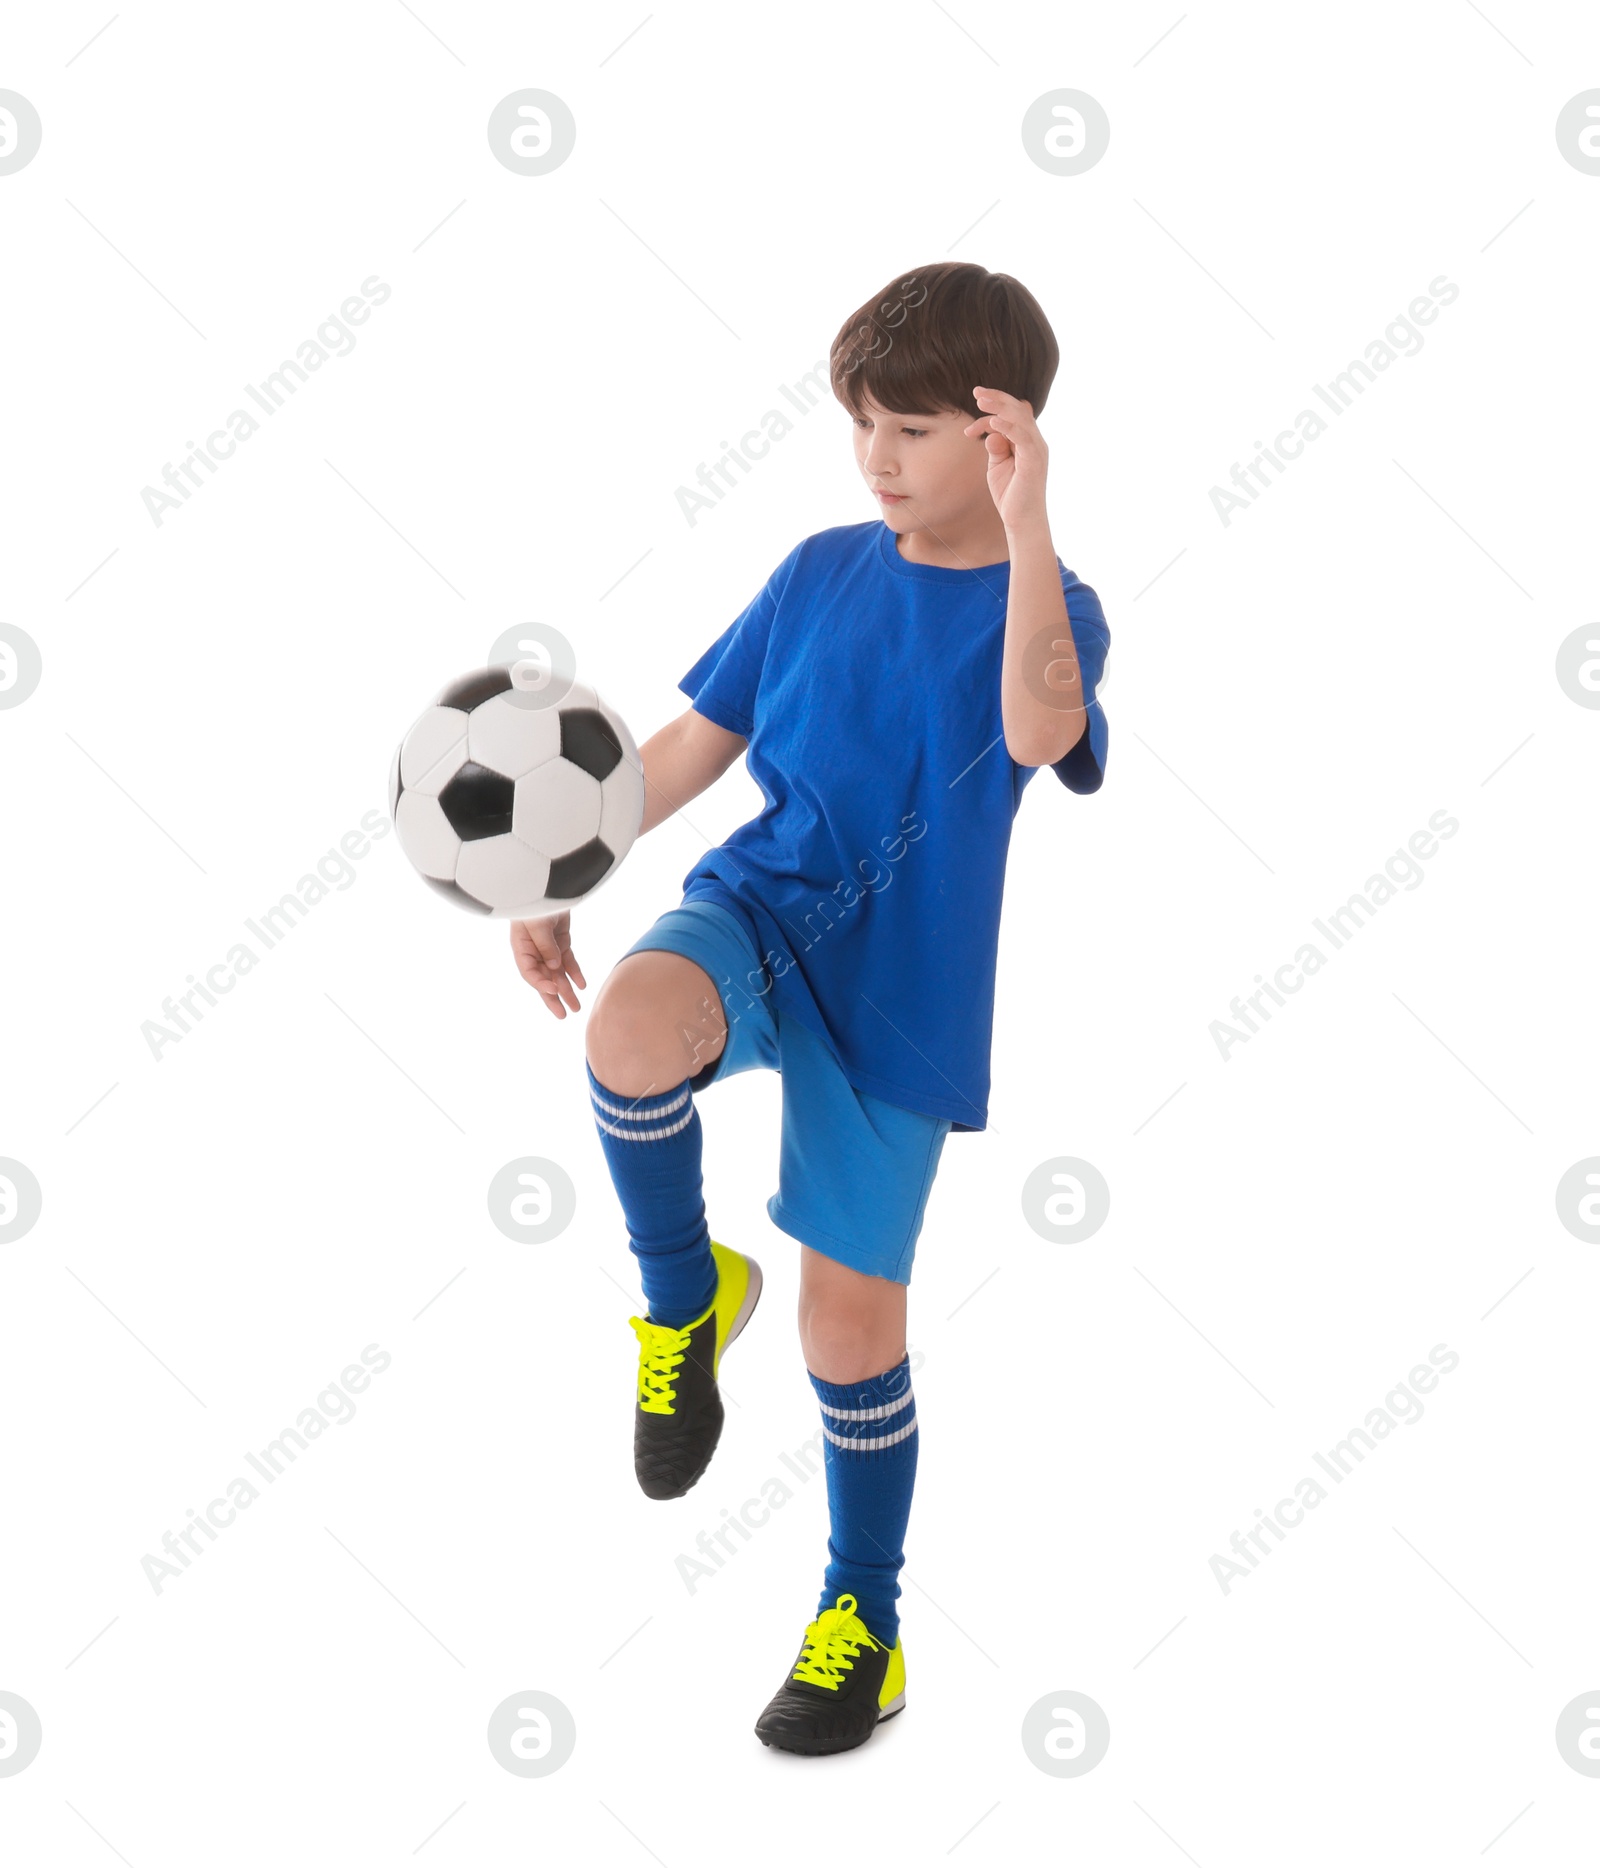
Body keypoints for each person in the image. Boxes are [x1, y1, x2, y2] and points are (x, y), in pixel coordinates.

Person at [510, 260, 1110, 1755]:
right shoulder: (817, 570)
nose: (877, 462)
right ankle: (681, 1294)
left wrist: (1032, 528)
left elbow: (1043, 728)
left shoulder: (1058, 610)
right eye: (863, 429)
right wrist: (560, 865)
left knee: (848, 1335)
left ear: (999, 440)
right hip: (761, 911)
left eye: (911, 432)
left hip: (899, 998)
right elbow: (692, 748)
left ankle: (865, 1615)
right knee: (629, 1031)